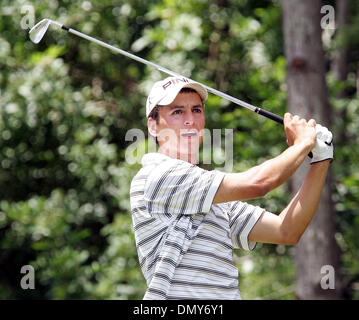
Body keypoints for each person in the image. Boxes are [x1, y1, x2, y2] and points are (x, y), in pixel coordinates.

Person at [129, 76, 333, 300]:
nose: (190, 120)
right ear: (153, 126)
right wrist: (303, 144)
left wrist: (320, 161)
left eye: (196, 110)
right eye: (177, 112)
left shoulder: (212, 198)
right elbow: (259, 184)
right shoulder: (157, 175)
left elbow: (286, 231)